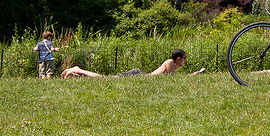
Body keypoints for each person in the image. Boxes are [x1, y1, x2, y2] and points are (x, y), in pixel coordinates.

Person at [61, 49, 203, 78]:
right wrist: (192, 75)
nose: (185, 61)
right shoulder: (170, 63)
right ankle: (78, 70)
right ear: (178, 58)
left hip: (138, 76)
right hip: (137, 76)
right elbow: (172, 81)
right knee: (105, 79)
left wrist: (193, 74)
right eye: (184, 58)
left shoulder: (173, 65)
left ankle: (77, 76)